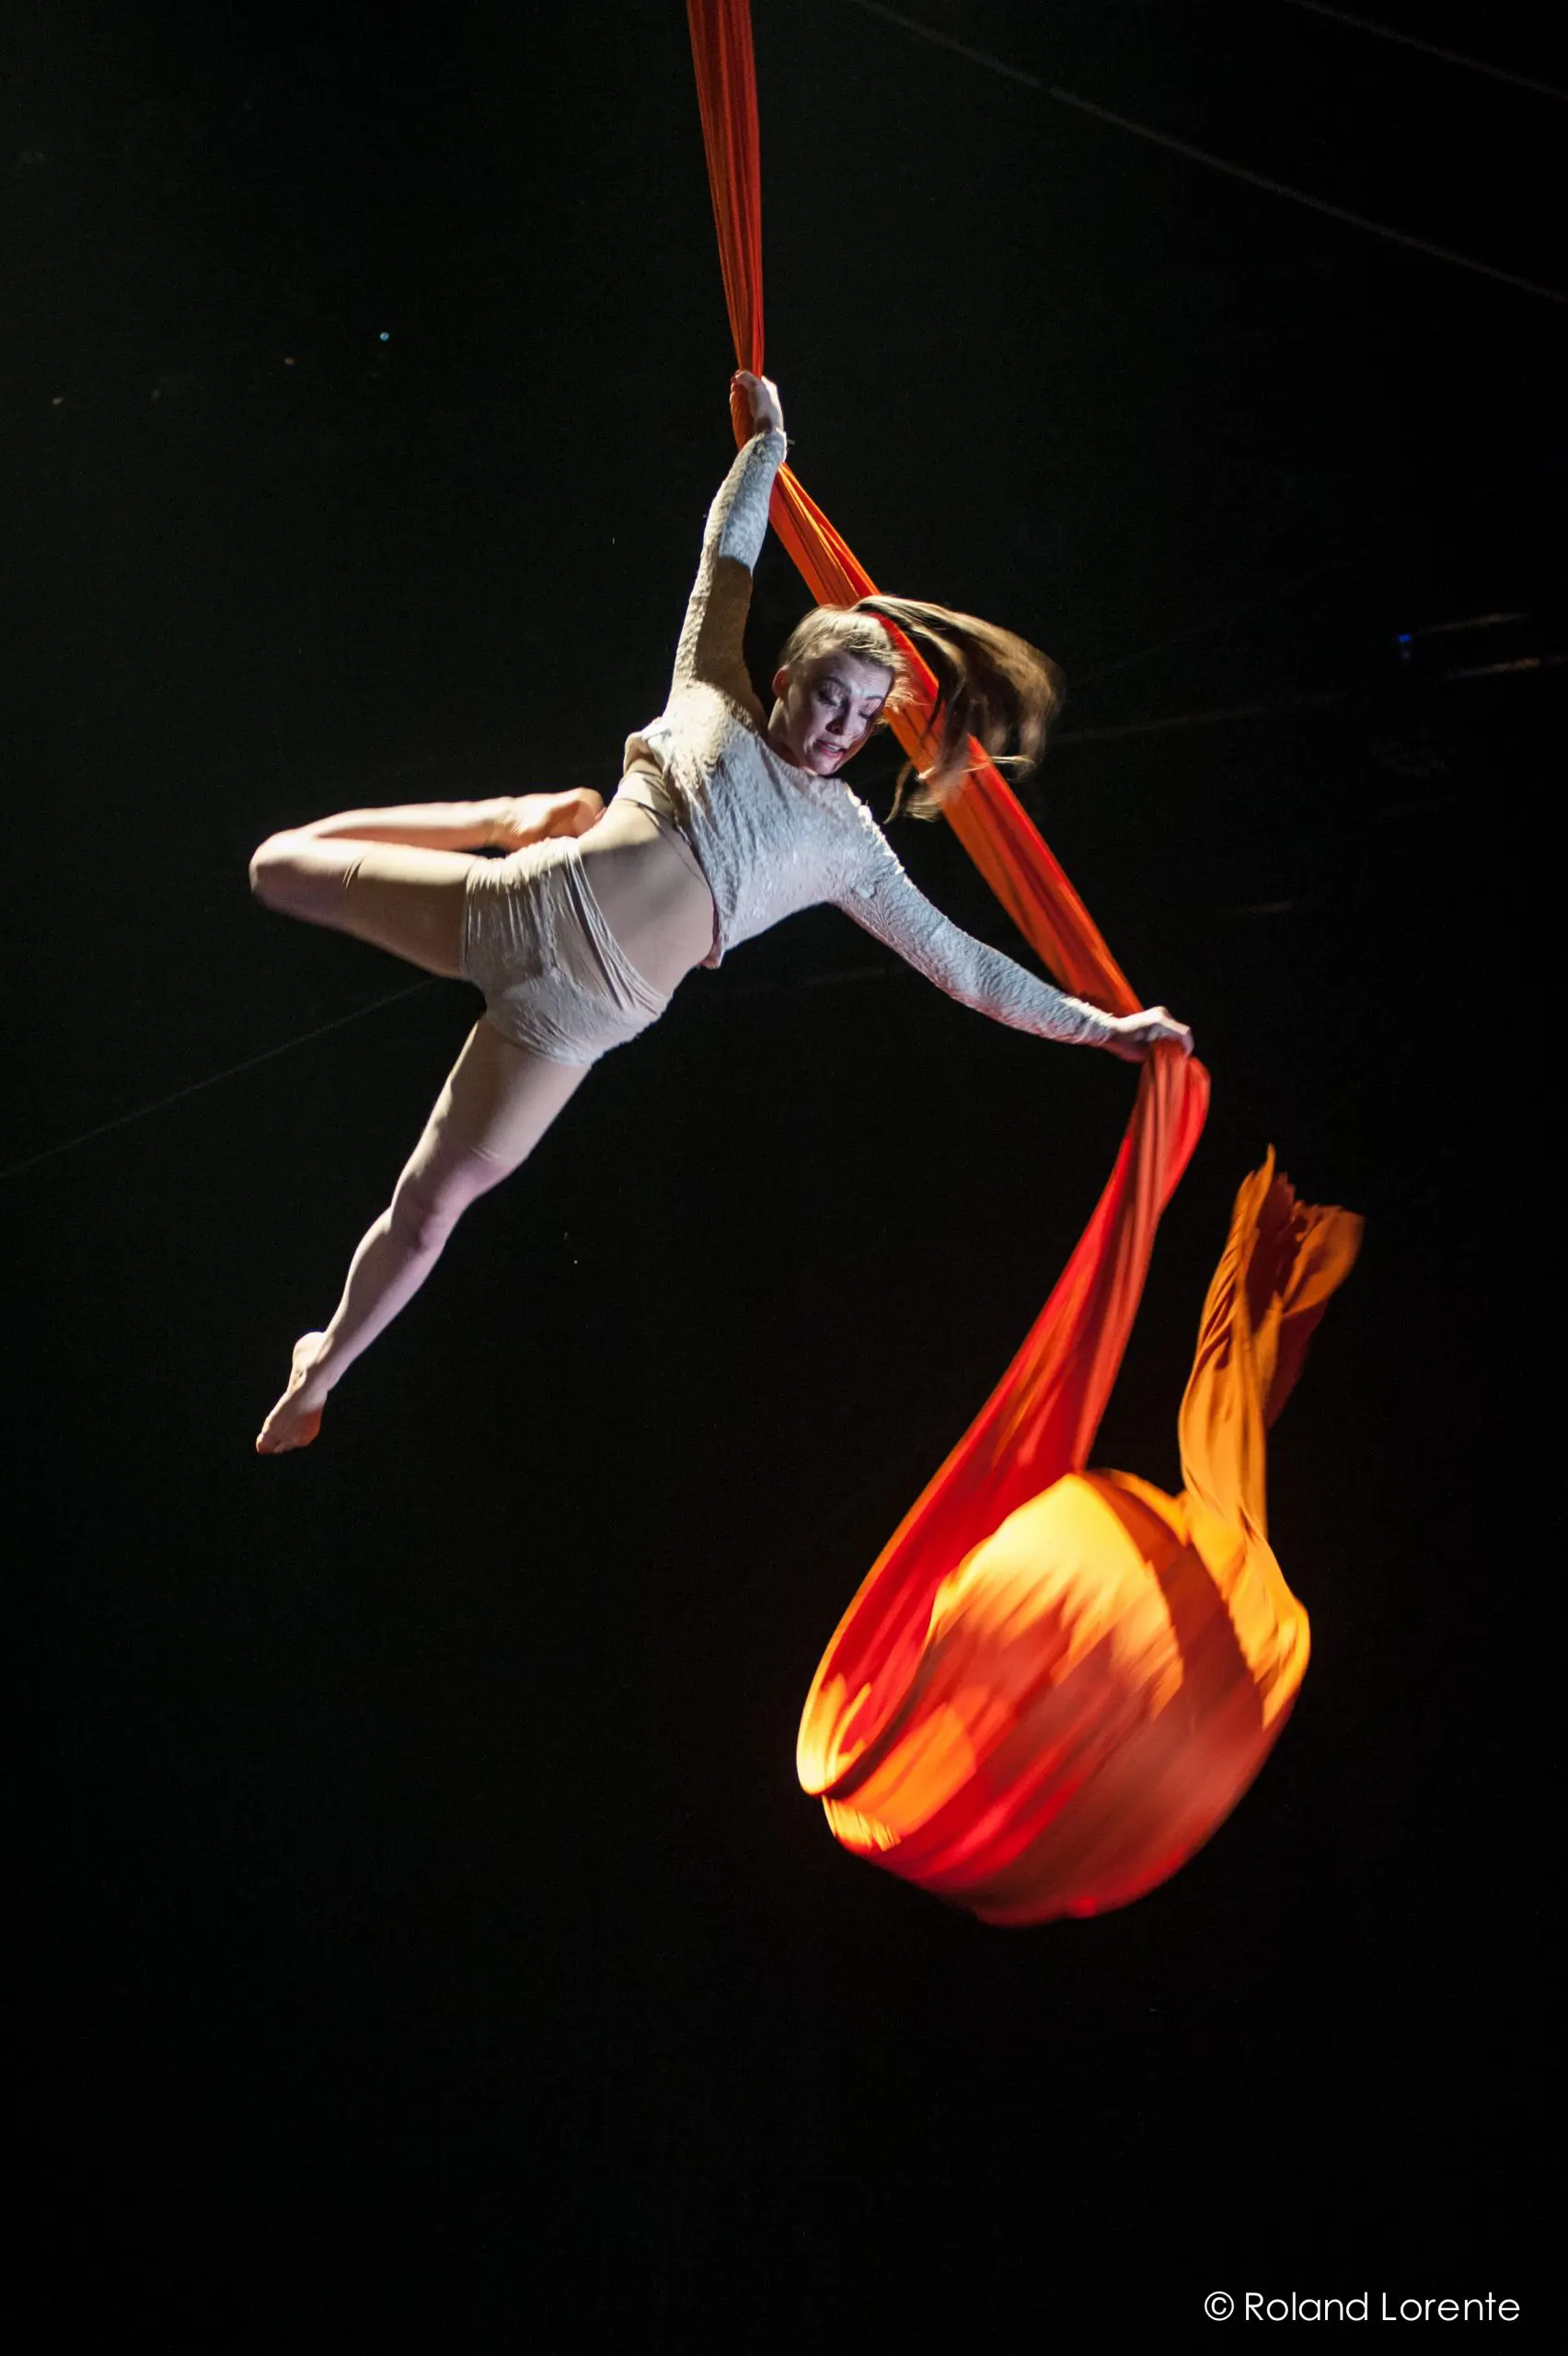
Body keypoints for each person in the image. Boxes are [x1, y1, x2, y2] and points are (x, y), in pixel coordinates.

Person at [250, 373, 1193, 1452]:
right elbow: (728, 561)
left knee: (428, 1212)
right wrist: (768, 446)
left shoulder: (849, 846)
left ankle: (325, 1362)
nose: (843, 729)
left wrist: (1102, 1026)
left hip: (571, 1027)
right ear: (786, 677)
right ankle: (512, 812)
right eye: (829, 698)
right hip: (517, 903)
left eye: (864, 719)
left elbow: (965, 965)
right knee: (277, 867)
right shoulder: (711, 691)